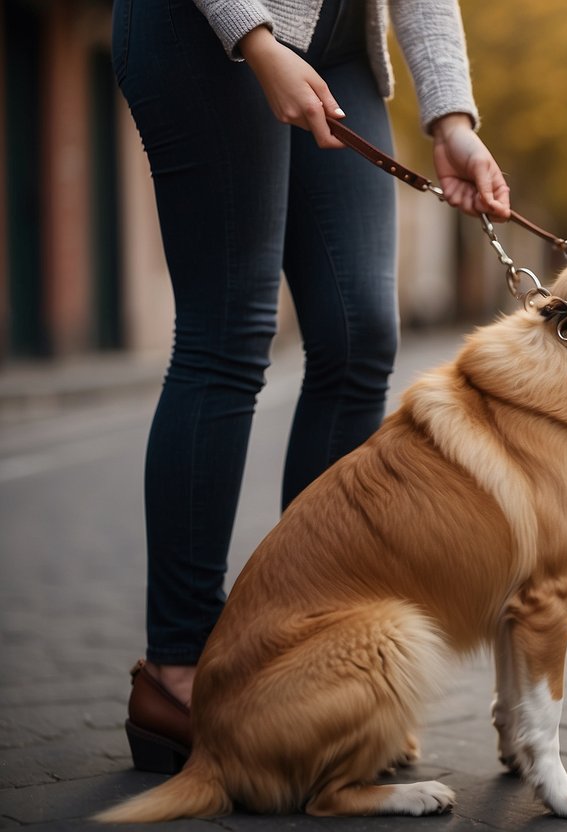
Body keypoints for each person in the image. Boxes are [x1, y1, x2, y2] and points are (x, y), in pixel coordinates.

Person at [111, 0, 509, 772]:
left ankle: (305, 656)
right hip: (205, 26)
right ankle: (177, 669)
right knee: (229, 331)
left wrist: (451, 118)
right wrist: (253, 38)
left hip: (339, 45)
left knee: (361, 335)